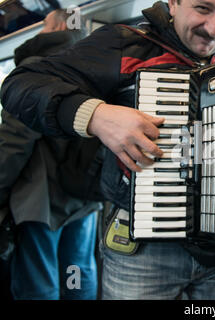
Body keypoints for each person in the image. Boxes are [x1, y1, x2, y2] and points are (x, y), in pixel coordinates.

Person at [0, 0, 215, 299]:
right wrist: (97, 115)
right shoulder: (124, 44)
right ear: (173, 3)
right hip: (145, 254)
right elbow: (20, 86)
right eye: (203, 8)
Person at [0, 8, 101, 300]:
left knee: (40, 282)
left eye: (43, 25)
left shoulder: (36, 69)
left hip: (40, 198)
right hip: (82, 196)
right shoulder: (94, 68)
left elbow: (15, 140)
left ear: (55, 26)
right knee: (77, 275)